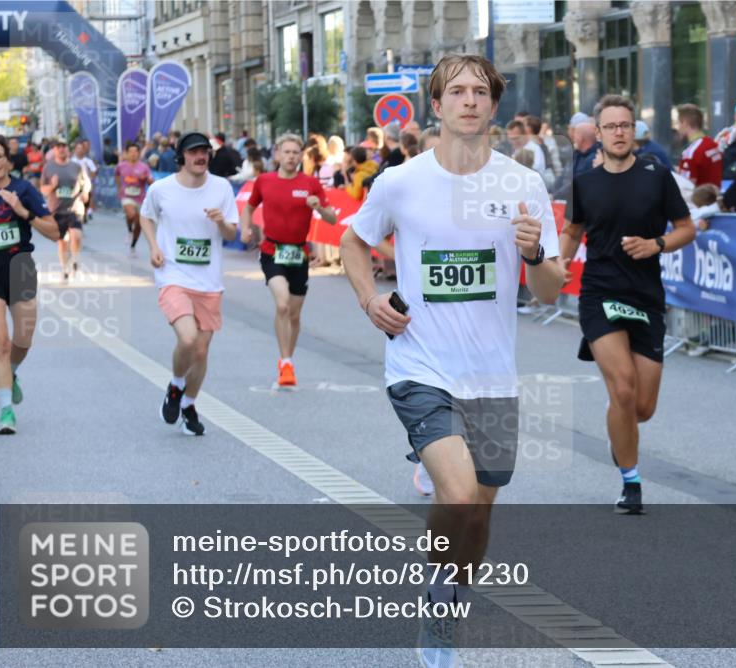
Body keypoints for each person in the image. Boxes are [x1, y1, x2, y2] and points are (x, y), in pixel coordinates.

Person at [339, 53, 564, 667]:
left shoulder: (522, 185)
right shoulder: (400, 182)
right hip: (420, 367)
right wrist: (369, 297)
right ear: (436, 105)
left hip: (491, 376)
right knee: (460, 495)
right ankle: (438, 612)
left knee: (479, 512)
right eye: (457, 91)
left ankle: (451, 591)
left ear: (494, 105)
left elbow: (549, 290)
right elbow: (353, 242)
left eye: (481, 92)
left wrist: (536, 253)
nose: (470, 100)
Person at [560, 94, 695, 514]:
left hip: (646, 296)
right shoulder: (584, 183)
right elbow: (572, 231)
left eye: (625, 125)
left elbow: (686, 228)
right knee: (623, 386)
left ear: (634, 130)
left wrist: (656, 244)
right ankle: (631, 482)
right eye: (611, 126)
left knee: (642, 407)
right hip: (600, 294)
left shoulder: (657, 176)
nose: (619, 132)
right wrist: (560, 265)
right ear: (598, 133)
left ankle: (618, 420)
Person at [139, 132, 240, 436]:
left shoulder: (221, 187)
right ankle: (176, 385)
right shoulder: (161, 189)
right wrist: (153, 247)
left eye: (204, 152)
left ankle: (188, 404)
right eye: (194, 152)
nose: (200, 157)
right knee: (187, 339)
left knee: (201, 352)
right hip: (173, 276)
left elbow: (231, 234)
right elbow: (146, 217)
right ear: (181, 156)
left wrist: (221, 221)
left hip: (209, 282)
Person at [240, 134, 337, 387]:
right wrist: (245, 228)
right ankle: (286, 363)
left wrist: (318, 207)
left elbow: (332, 219)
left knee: (294, 314)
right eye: (287, 152)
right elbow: (249, 207)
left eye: (295, 152)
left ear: (301, 156)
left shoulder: (310, 183)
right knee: (282, 305)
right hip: (272, 251)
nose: (291, 157)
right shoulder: (265, 180)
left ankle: (288, 358)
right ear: (277, 154)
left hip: (299, 254)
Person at [0, 136, 60, 434]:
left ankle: (10, 374)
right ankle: (6, 413)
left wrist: (23, 212)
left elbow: (54, 232)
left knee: (23, 340)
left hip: (21, 269)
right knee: (0, 341)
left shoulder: (24, 190)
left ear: (8, 160)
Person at [42, 141, 91, 281]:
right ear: (54, 150)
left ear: (68, 150)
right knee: (63, 242)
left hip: (75, 208)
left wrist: (85, 192)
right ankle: (65, 269)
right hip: (57, 210)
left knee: (76, 236)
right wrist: (52, 186)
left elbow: (86, 183)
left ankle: (75, 260)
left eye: (64, 147)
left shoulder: (76, 166)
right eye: (58, 147)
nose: (62, 149)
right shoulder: (48, 167)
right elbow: (43, 190)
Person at [115, 143, 154, 257]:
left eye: (135, 151)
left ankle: (133, 246)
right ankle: (129, 231)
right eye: (131, 152)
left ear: (139, 153)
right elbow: (117, 175)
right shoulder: (121, 166)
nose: (133, 154)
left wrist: (146, 178)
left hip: (140, 197)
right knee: (131, 214)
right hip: (126, 195)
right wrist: (119, 187)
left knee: (139, 224)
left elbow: (151, 181)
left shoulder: (144, 167)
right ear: (126, 153)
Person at [675, 103, 722, 187]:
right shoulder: (713, 145)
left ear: (685, 123)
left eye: (678, 123)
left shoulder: (691, 152)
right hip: (714, 193)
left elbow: (685, 186)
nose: (678, 127)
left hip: (699, 195)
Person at [72, 140, 98, 222]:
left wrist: (90, 179)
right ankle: (77, 213)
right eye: (78, 148)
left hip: (85, 183)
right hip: (75, 183)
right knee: (75, 199)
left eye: (81, 148)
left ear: (84, 150)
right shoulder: (72, 160)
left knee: (86, 200)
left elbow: (94, 170)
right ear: (75, 150)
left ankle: (85, 213)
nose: (79, 150)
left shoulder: (88, 161)